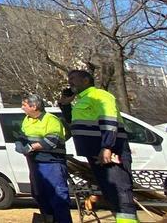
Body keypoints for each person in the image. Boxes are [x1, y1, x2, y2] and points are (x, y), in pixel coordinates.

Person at [60, 70, 137, 223]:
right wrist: (65, 105)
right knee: (111, 194)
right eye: (69, 79)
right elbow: (74, 124)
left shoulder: (100, 95)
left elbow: (109, 121)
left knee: (120, 193)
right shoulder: (80, 101)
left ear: (86, 80)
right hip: (95, 154)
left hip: (110, 153)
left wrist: (107, 146)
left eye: (73, 78)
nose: (70, 82)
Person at [17, 94, 71, 223]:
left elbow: (52, 140)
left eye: (24, 105)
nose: (21, 108)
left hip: (52, 164)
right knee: (41, 197)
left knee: (58, 199)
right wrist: (20, 145)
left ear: (34, 106)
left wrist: (31, 147)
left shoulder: (50, 119)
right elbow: (21, 137)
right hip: (35, 164)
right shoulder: (27, 120)